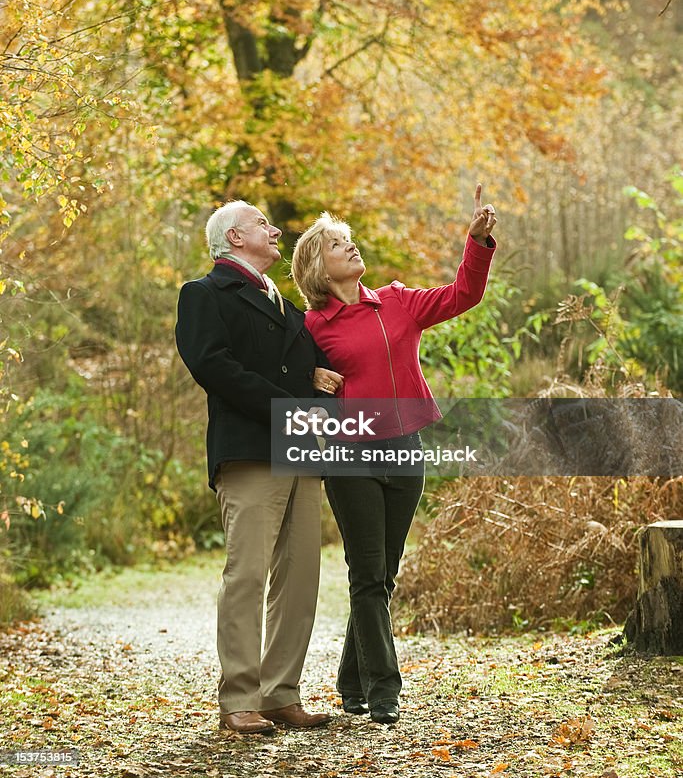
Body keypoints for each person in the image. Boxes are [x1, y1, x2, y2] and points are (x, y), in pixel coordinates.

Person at [290, 185, 497, 725]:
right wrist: (309, 376)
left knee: (384, 576)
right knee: (366, 573)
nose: (352, 248)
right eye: (339, 244)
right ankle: (384, 690)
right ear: (318, 265)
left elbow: (461, 296)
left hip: (406, 451)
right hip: (349, 456)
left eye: (351, 240)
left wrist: (476, 243)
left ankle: (348, 679)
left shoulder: (398, 301)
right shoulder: (312, 328)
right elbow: (283, 380)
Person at [175, 200, 337, 735]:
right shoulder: (203, 295)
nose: (275, 231)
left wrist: (319, 388)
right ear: (235, 238)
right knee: (247, 574)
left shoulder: (287, 308)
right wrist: (289, 405)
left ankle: (280, 693)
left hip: (302, 450)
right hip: (248, 448)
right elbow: (213, 365)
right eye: (263, 224)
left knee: (300, 574)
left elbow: (315, 370)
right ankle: (239, 699)